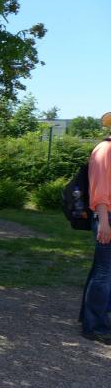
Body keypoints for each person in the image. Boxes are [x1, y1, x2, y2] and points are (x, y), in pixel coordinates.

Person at [79, 117, 111, 345]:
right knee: (104, 273)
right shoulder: (105, 150)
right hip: (107, 216)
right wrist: (103, 221)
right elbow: (100, 189)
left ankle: (90, 319)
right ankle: (95, 326)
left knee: (102, 270)